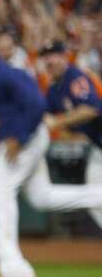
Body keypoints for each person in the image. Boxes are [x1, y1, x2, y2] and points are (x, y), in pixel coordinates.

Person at [0, 31, 102, 277]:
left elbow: (42, 106)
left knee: (0, 190)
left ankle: (14, 270)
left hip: (26, 138)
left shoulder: (7, 73)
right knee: (41, 197)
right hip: (27, 137)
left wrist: (20, 135)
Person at [41, 40, 102, 233]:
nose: (50, 61)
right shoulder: (54, 89)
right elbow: (45, 115)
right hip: (97, 148)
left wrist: (58, 123)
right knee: (93, 198)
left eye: (54, 56)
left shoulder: (75, 76)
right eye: (47, 58)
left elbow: (90, 109)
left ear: (64, 56)